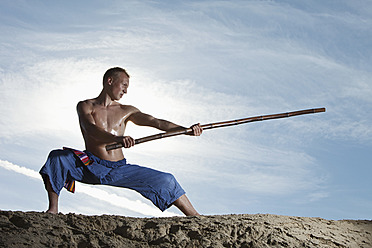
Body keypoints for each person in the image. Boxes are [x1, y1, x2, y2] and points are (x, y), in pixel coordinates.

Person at [39, 67, 203, 216]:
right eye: (123, 85)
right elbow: (91, 129)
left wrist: (186, 130)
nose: (125, 91)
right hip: (90, 165)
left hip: (118, 168)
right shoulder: (85, 106)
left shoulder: (127, 110)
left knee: (166, 179)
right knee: (57, 157)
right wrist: (116, 139)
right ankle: (53, 210)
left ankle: (195, 216)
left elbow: (157, 122)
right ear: (110, 81)